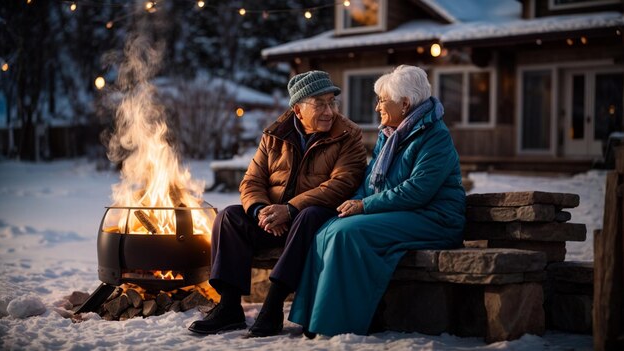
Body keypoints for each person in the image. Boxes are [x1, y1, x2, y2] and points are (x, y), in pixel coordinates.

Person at [289, 65, 466, 337]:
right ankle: (312, 317)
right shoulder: (391, 135)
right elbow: (371, 180)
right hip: (404, 212)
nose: (377, 108)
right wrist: (356, 201)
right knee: (328, 228)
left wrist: (364, 206)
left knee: (348, 234)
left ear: (405, 104)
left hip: (435, 219)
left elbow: (417, 191)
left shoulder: (435, 137)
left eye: (383, 101)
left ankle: (335, 322)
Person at [188, 70, 367, 337]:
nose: (329, 111)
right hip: (273, 219)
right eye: (320, 104)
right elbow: (251, 182)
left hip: (314, 221)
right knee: (229, 216)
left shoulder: (348, 135)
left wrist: (290, 209)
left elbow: (342, 184)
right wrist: (261, 211)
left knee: (309, 215)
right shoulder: (274, 135)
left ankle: (273, 307)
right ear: (297, 109)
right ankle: (229, 307)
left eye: (332, 102)